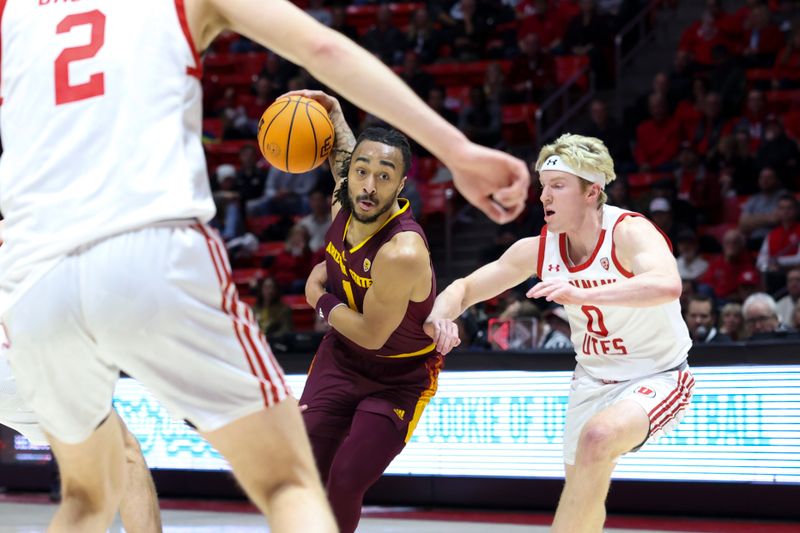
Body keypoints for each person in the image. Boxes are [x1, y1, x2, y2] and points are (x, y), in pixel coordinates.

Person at [0, 1, 528, 531]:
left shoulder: (14, 12)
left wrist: (320, 294)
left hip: (31, 276)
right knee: (289, 481)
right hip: (150, 245)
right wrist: (457, 151)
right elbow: (321, 46)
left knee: (86, 499)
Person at [425, 133, 694, 533]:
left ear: (592, 192)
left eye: (557, 186)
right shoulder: (541, 248)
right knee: (584, 491)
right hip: (591, 380)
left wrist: (581, 291)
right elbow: (465, 288)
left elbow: (667, 284)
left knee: (597, 438)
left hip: (658, 375)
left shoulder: (630, 232)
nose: (543, 197)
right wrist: (440, 316)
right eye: (543, 187)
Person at [293, 90, 444, 533]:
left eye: (384, 176)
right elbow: (343, 150)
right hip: (341, 359)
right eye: (362, 171)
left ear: (400, 186)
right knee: (303, 471)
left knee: (344, 479)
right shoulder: (345, 198)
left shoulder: (403, 250)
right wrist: (335, 113)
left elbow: (372, 334)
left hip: (398, 376)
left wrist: (317, 296)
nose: (369, 185)